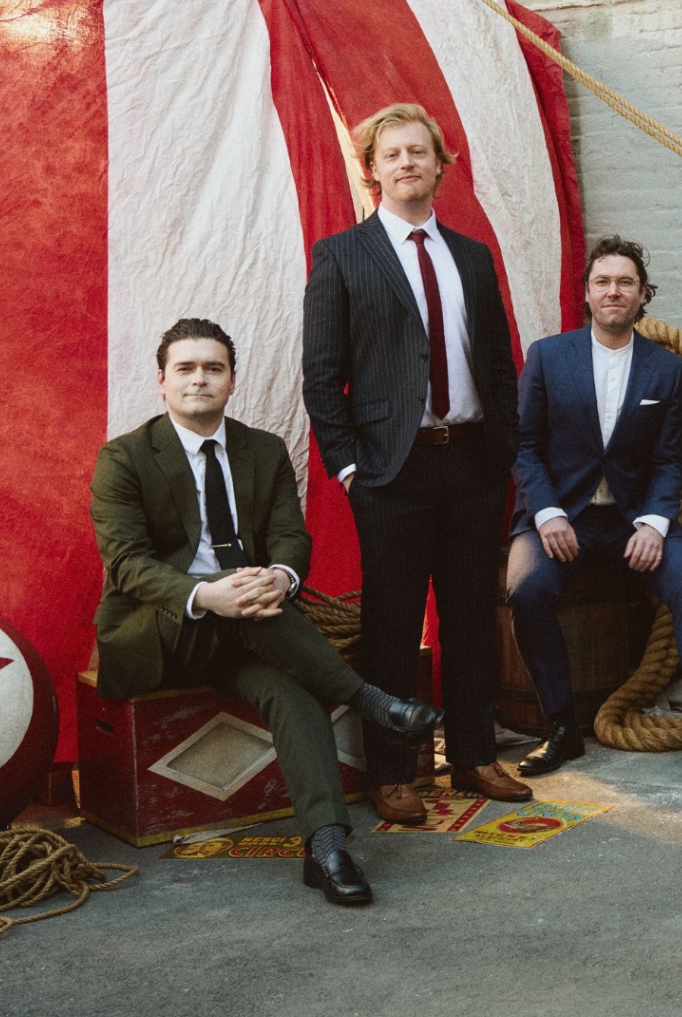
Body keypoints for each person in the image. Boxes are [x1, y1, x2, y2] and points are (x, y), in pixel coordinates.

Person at [90, 319, 443, 905]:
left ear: (232, 381)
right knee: (243, 597)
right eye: (186, 368)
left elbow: (289, 538)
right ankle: (371, 701)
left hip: (250, 629)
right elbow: (127, 564)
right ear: (161, 381)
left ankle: (327, 846)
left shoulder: (263, 450)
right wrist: (209, 595)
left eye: (213, 368)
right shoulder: (125, 457)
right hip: (161, 633)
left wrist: (279, 577)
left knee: (292, 690)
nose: (199, 379)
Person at [302, 102, 530, 825]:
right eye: (392, 153)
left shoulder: (472, 256)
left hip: (470, 464)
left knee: (469, 618)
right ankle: (394, 769)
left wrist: (503, 454)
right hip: (390, 473)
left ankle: (473, 754)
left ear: (440, 165)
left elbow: (497, 364)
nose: (406, 163)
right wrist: (348, 470)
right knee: (393, 626)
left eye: (419, 152)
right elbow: (321, 374)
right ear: (372, 169)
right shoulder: (343, 255)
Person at [506, 237, 682, 782]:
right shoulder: (547, 356)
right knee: (526, 588)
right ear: (587, 294)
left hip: (632, 518)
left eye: (625, 283)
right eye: (603, 282)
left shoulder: (664, 368)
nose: (613, 291)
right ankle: (562, 725)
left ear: (643, 296)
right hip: (560, 514)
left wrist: (655, 523)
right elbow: (524, 447)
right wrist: (547, 514)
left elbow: (669, 459)